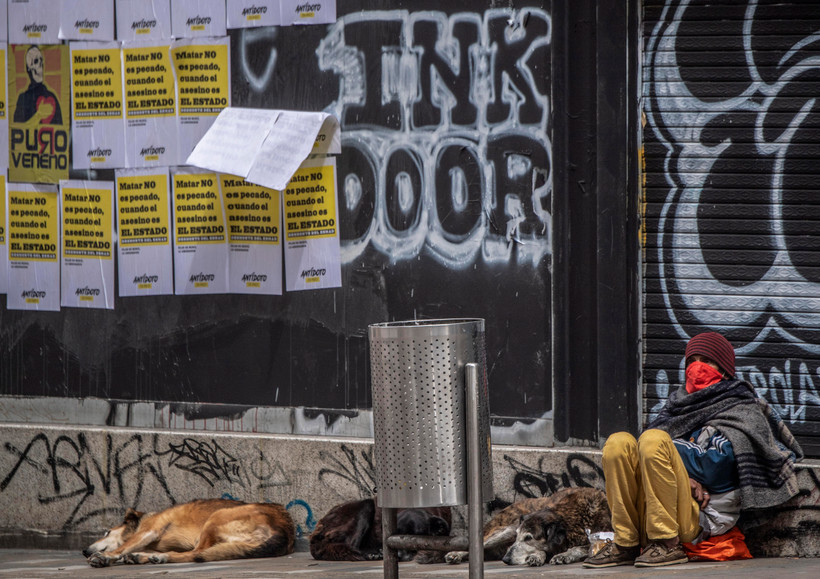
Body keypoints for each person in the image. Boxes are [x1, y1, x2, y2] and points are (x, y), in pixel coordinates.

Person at [583, 331, 803, 568]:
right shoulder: (679, 403)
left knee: (654, 440)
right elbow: (648, 453)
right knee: (619, 444)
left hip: (700, 516)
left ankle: (667, 543)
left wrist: (670, 461)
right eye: (692, 361)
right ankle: (626, 543)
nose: (697, 367)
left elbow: (714, 468)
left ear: (725, 368)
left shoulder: (741, 406)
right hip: (656, 509)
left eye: (707, 361)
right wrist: (682, 477)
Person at [14, 45, 63, 125]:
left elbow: (60, 126)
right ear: (29, 68)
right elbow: (17, 128)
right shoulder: (22, 99)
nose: (41, 64)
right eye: (36, 61)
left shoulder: (52, 97)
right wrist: (38, 116)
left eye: (41, 60)